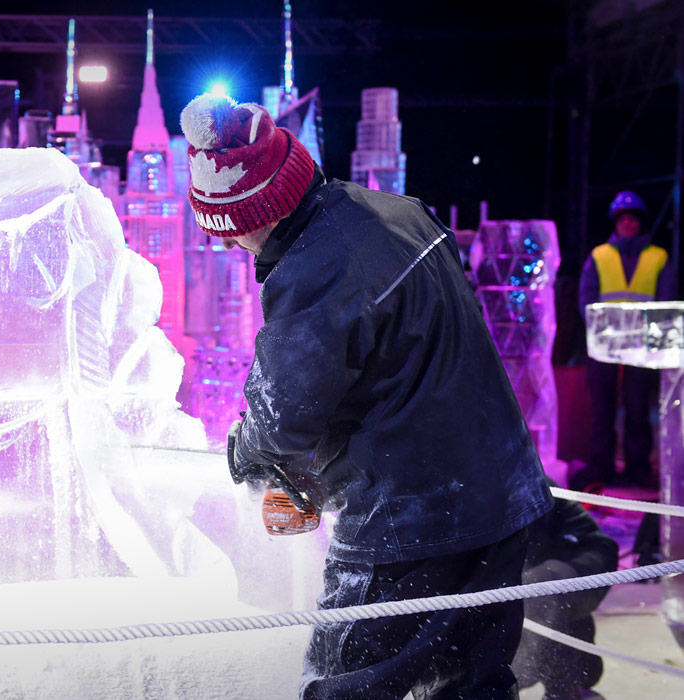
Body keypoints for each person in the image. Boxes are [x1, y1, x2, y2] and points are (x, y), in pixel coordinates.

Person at [179, 93, 554, 700]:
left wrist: (246, 448)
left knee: (344, 684)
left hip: (408, 526)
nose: (227, 247)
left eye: (228, 232)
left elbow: (283, 416)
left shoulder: (315, 271)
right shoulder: (401, 213)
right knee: (473, 686)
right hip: (500, 501)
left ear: (258, 213)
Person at [570, 190, 676, 493]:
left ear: (640, 223)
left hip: (641, 349)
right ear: (616, 222)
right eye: (623, 218)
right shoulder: (600, 256)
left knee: (638, 407)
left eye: (633, 219)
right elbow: (586, 298)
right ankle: (601, 465)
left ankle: (637, 467)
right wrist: (599, 332)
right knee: (602, 407)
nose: (628, 223)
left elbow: (665, 300)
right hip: (604, 348)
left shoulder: (658, 258)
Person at [513, 478, 618, 700]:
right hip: (540, 580)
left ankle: (564, 690)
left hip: (580, 560)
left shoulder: (521, 474)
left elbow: (596, 544)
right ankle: (579, 659)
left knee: (537, 587)